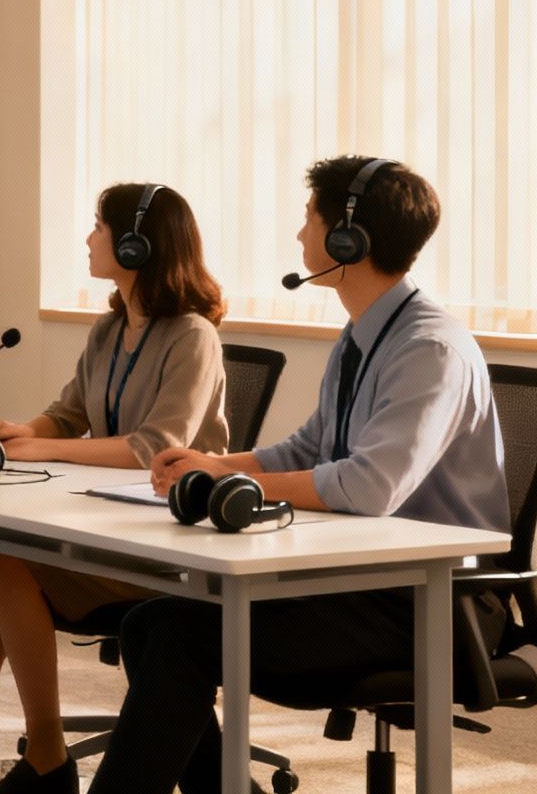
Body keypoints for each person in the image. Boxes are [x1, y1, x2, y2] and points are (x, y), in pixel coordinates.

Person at [86, 156, 509, 794]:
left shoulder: (429, 348)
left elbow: (368, 486)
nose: (298, 237)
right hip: (367, 582)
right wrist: (214, 464)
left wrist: (235, 488)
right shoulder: (364, 334)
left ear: (349, 238)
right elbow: (311, 446)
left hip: (432, 604)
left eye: (308, 220)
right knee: (150, 623)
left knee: (175, 633)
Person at [0, 183, 229, 793]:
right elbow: (70, 414)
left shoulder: (192, 336)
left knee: (13, 563)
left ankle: (46, 753)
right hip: (109, 518)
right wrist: (27, 430)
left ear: (135, 243)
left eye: (99, 227)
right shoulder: (109, 327)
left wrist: (41, 447)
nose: (88, 238)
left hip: (172, 542)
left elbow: (155, 446)